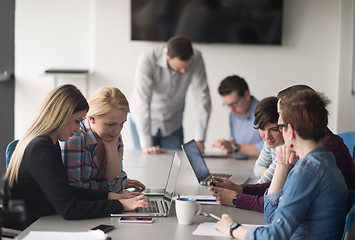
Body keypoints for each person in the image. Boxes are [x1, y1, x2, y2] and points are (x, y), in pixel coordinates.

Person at [6, 84, 151, 230]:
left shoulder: (50, 143)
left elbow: (66, 191)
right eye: (77, 121)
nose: (77, 129)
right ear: (61, 116)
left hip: (45, 222)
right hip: (30, 229)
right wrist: (119, 205)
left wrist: (111, 196)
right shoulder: (40, 148)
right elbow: (69, 209)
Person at [215, 89, 348, 239]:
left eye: (278, 127)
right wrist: (281, 166)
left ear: (289, 131)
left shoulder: (307, 172)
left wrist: (233, 228)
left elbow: (274, 235)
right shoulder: (323, 161)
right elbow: (271, 214)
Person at [130, 35, 211, 154]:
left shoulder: (197, 58)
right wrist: (147, 145)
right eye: (179, 68)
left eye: (186, 68)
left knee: (174, 166)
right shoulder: (148, 59)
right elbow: (143, 101)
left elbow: (202, 98)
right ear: (167, 55)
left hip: (173, 124)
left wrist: (200, 138)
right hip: (144, 121)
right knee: (147, 164)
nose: (183, 71)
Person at [61, 86, 145, 194]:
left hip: (101, 204)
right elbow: (75, 189)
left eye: (122, 123)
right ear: (91, 118)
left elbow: (116, 188)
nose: (117, 131)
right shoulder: (75, 138)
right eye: (111, 124)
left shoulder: (114, 137)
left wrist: (110, 147)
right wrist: (108, 185)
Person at [212, 75, 263, 157]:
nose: (231, 109)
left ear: (246, 95)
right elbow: (234, 144)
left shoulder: (265, 113)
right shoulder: (233, 115)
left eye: (234, 103)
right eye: (228, 105)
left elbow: (270, 150)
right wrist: (226, 147)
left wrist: (235, 147)